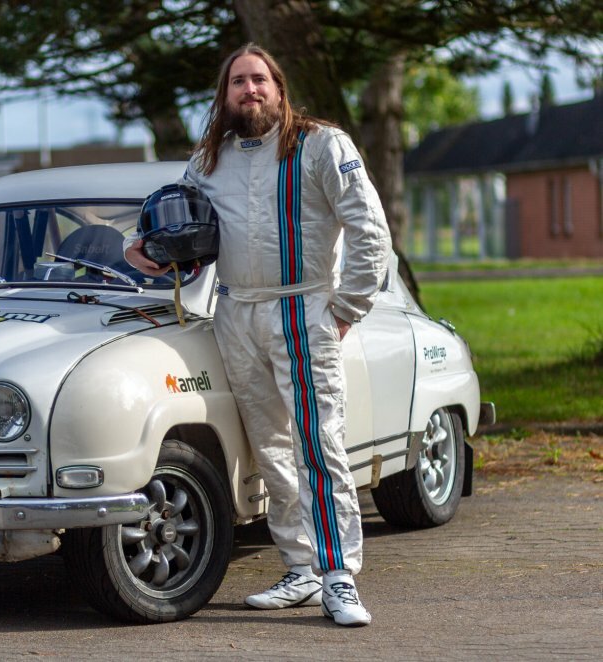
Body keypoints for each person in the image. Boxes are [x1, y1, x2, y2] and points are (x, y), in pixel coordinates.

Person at [124, 43, 391, 627]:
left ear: (278, 86)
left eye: (260, 79)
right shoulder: (209, 157)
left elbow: (369, 230)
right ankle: (301, 569)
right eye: (238, 81)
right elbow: (180, 223)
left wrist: (345, 307)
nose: (250, 90)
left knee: (318, 444)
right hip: (235, 314)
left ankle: (339, 576)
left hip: (304, 309)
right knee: (269, 447)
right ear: (224, 95)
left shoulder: (322, 144)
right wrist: (142, 249)